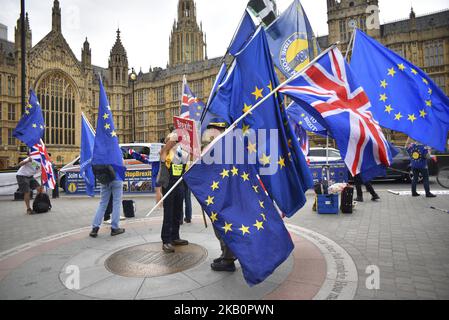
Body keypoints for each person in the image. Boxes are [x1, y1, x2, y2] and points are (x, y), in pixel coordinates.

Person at [202, 118, 236, 272]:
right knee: (218, 227)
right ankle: (225, 254)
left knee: (225, 226)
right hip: (216, 196)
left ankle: (229, 259)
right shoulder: (214, 147)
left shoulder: (227, 147)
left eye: (215, 129)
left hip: (225, 197)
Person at [159, 132, 189, 253]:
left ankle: (175, 236)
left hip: (179, 183)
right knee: (168, 212)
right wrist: (169, 144)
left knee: (178, 211)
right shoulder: (165, 151)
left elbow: (187, 163)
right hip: (169, 183)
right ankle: (166, 240)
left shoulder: (182, 150)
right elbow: (162, 156)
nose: (174, 140)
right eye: (172, 139)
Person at [89, 162, 126, 238]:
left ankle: (95, 228)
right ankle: (114, 228)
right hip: (116, 178)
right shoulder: (115, 151)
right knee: (116, 203)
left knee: (102, 204)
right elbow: (122, 164)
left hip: (104, 180)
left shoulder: (100, 154)